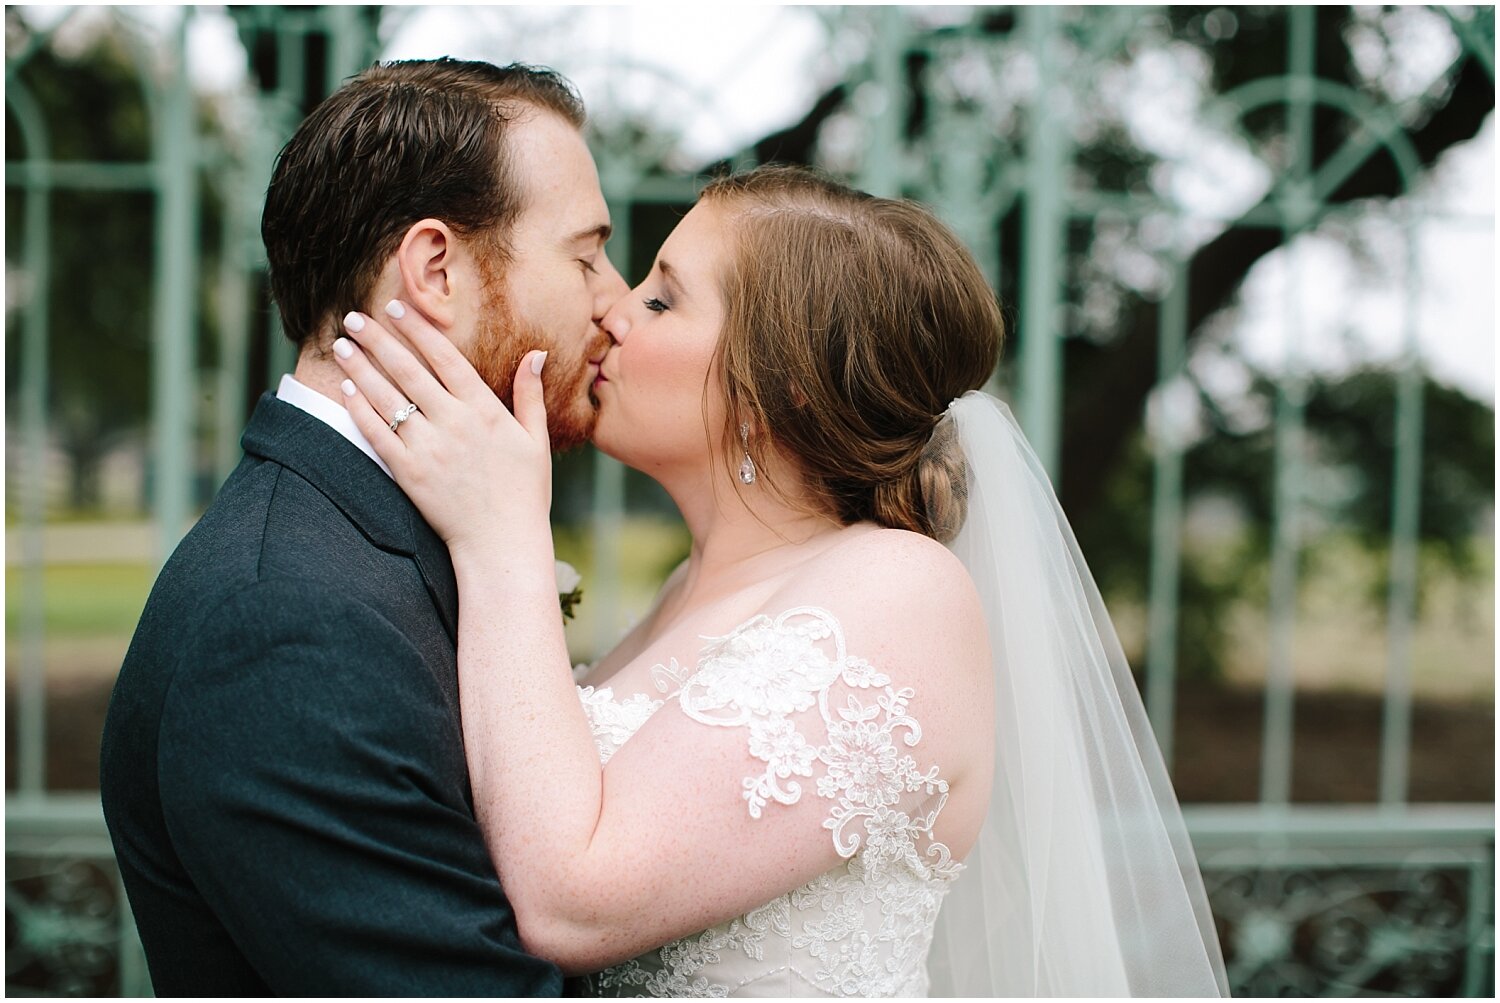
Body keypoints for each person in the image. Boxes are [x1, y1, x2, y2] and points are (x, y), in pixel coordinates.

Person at [334, 164, 1230, 996]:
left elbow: (577, 900)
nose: (612, 310)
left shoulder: (899, 591)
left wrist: (503, 546)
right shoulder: (687, 592)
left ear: (781, 387)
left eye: (663, 298)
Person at [98, 58, 627, 995]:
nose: (614, 300)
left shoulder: (372, 546)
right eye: (585, 254)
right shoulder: (283, 624)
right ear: (435, 269)